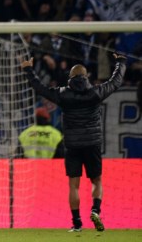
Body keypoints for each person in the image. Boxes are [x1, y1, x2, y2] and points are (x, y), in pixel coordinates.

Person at [20, 53, 127, 232]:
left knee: (73, 185)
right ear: (86, 76)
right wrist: (121, 63)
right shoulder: (96, 92)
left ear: (70, 77)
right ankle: (95, 210)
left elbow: (40, 88)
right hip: (92, 143)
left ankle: (77, 223)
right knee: (96, 181)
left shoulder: (63, 94)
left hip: (72, 146)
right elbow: (116, 82)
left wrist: (28, 69)